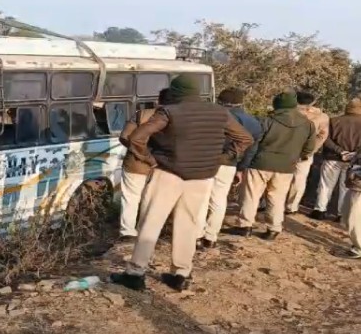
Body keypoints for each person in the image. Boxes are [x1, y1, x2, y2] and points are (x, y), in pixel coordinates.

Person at [110, 74, 252, 292]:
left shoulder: (169, 111)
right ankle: (181, 274)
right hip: (202, 177)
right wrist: (221, 159)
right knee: (189, 224)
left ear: (175, 92)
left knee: (151, 222)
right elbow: (245, 139)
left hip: (168, 173)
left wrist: (149, 159)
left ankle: (135, 273)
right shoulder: (220, 112)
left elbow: (137, 138)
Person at [229, 92, 315, 240]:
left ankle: (245, 226)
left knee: (251, 195)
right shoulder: (308, 124)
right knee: (277, 198)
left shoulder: (267, 121)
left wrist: (244, 165)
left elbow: (254, 145)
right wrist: (296, 157)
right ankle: (274, 228)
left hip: (260, 163)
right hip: (286, 166)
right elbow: (309, 148)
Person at [197, 88, 262, 249]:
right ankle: (211, 237)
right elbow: (251, 148)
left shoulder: (214, 116)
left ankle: (197, 235)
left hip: (207, 160)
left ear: (220, 101)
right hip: (230, 164)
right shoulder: (253, 122)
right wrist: (241, 167)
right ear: (241, 102)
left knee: (201, 199)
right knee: (219, 200)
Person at [117, 88, 174, 242]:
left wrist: (138, 152)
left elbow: (125, 136)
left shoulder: (141, 114)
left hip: (135, 164)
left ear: (159, 100)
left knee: (130, 198)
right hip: (162, 166)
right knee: (151, 199)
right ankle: (146, 231)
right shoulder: (177, 117)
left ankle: (128, 232)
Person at [311, 98, 361, 221]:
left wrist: (340, 151)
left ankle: (319, 210)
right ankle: (341, 214)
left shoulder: (334, 121)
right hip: (354, 161)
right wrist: (354, 154)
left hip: (332, 158)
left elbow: (326, 139)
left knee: (326, 185)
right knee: (346, 187)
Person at [286, 91, 329, 215]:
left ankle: (270, 203)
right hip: (306, 153)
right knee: (299, 179)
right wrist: (311, 150)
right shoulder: (321, 117)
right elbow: (322, 136)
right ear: (313, 102)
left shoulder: (287, 112)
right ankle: (292, 206)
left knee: (278, 176)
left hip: (285, 149)